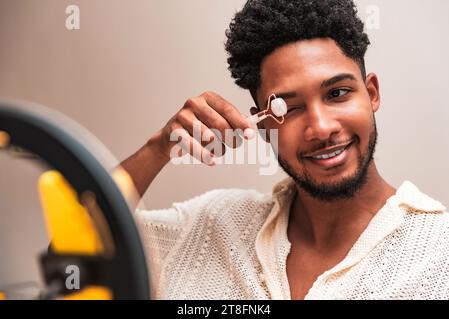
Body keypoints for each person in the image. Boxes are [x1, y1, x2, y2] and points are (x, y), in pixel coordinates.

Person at [121, 0, 449, 300]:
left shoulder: (438, 254)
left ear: (371, 93)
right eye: (287, 108)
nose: (321, 127)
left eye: (337, 93)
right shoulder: (212, 226)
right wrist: (158, 149)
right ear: (262, 126)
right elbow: (75, 234)